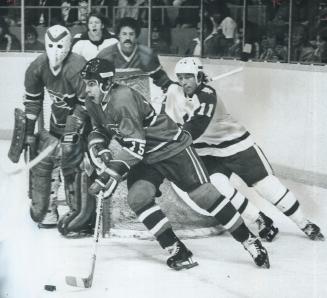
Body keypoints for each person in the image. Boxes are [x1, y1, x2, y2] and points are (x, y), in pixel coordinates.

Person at [81, 57, 270, 270]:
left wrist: (109, 175)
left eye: (91, 84)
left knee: (204, 195)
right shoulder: (93, 101)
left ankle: (249, 240)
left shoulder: (122, 98)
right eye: (86, 83)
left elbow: (135, 146)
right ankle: (178, 250)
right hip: (146, 156)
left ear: (105, 83)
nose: (86, 89)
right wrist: (101, 149)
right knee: (138, 198)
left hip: (171, 147)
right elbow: (99, 129)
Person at [165, 57, 325, 241]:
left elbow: (197, 126)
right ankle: (259, 220)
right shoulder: (174, 91)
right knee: (220, 188)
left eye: (188, 77)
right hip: (206, 152)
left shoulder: (208, 94)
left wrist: (175, 139)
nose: (184, 82)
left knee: (268, 187)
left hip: (237, 146)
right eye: (181, 77)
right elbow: (166, 108)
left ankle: (304, 223)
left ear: (199, 76)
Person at [9, 25, 94, 235]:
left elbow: (87, 104)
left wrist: (73, 133)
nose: (55, 50)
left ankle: (79, 216)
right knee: (46, 166)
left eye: (60, 45)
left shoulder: (77, 66)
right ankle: (48, 210)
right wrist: (28, 133)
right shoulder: (38, 66)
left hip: (82, 129)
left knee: (74, 169)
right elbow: (32, 102)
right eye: (51, 45)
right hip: (56, 127)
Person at [97, 17, 173, 95]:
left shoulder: (146, 54)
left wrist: (171, 88)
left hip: (140, 102)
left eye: (131, 34)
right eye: (124, 34)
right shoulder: (105, 55)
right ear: (118, 35)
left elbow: (162, 79)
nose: (128, 38)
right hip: (115, 102)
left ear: (136, 36)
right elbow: (95, 82)